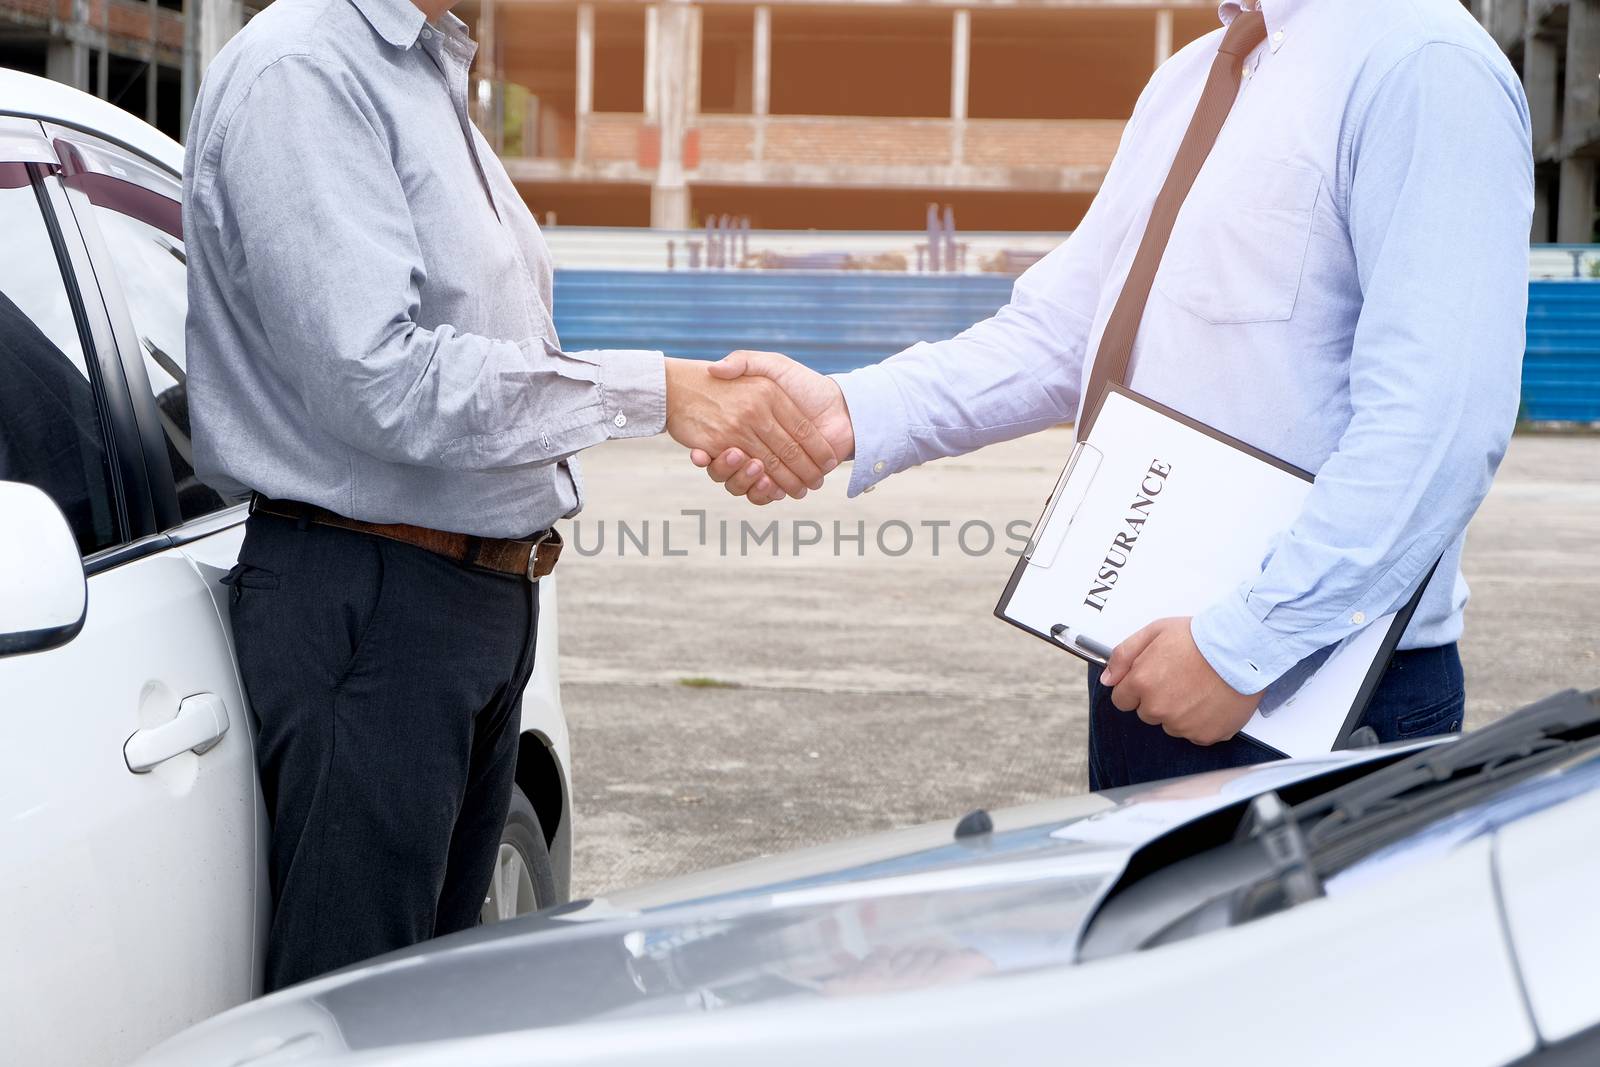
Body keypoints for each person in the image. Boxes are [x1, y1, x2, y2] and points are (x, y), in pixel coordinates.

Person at [692, 0, 1534, 788]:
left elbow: (1437, 425)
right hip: (1145, 661)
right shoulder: (1193, 78)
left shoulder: (1423, 65)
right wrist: (847, 411)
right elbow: (1064, 331)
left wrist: (1244, 647)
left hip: (1313, 690)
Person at [184, 0, 834, 990]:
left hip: (465, 600)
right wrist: (656, 392)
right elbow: (380, 381)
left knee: (442, 1003)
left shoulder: (426, 73)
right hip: (376, 599)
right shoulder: (306, 68)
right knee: (365, 1012)